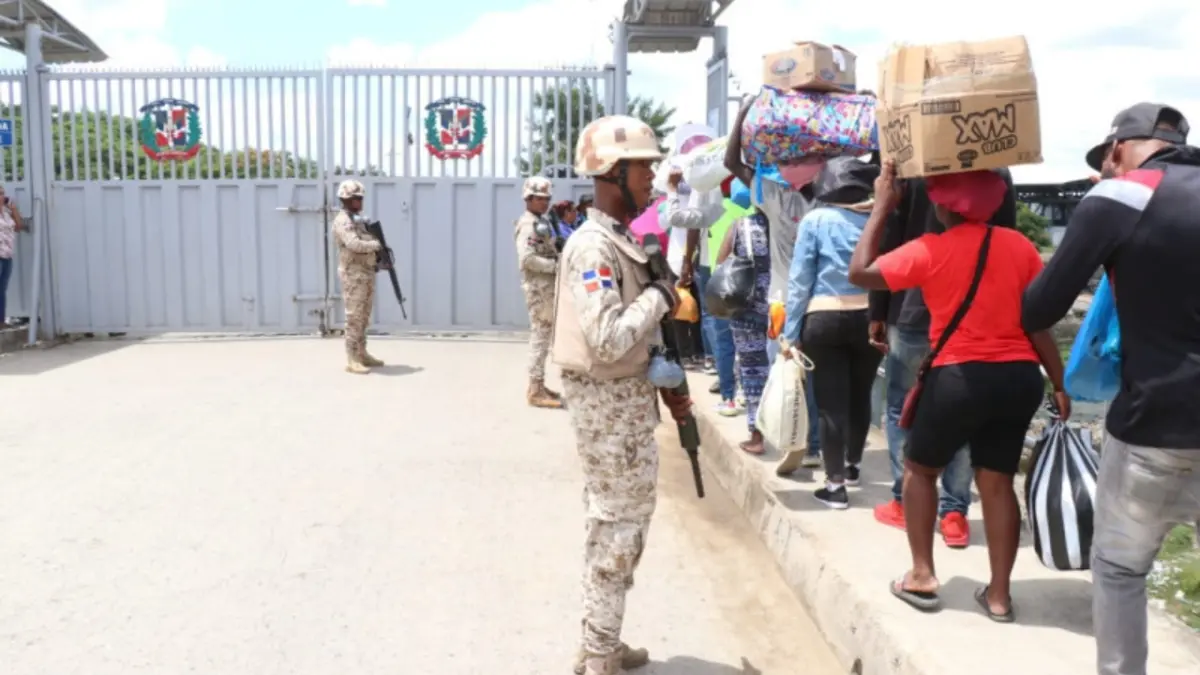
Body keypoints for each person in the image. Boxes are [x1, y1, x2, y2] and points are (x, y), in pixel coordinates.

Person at [1020, 103, 1200, 675]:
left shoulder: (1120, 195)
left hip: (1153, 423)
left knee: (1121, 567)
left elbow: (1038, 309)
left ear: (1118, 148)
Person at [849, 161, 1068, 622]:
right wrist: (1060, 382)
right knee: (998, 482)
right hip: (1020, 378)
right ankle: (1000, 596)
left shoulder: (930, 249)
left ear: (942, 206)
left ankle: (922, 574)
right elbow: (1037, 323)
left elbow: (860, 272)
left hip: (959, 378)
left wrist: (883, 206)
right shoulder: (1020, 246)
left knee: (919, 469)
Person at [552, 114, 692, 675]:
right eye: (643, 168)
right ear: (613, 171)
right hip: (609, 413)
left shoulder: (619, 238)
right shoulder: (593, 248)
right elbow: (608, 339)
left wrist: (668, 384)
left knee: (614, 525)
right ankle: (600, 654)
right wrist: (661, 296)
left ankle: (599, 641)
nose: (651, 178)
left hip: (625, 405)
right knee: (619, 531)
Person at [867, 167, 1018, 547]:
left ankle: (904, 502)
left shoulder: (912, 166)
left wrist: (877, 312)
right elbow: (1007, 236)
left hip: (911, 306)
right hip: (975, 315)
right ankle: (954, 513)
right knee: (966, 413)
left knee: (901, 407)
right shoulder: (997, 165)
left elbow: (888, 240)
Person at [782, 157, 884, 509]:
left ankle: (835, 485)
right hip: (870, 317)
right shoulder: (878, 220)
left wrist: (790, 332)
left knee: (830, 404)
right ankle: (853, 466)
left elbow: (800, 280)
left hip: (823, 318)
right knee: (861, 396)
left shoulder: (816, 220)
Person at [726, 99, 823, 466]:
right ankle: (812, 445)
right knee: (814, 373)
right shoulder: (827, 200)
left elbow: (732, 163)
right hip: (821, 301)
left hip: (781, 302)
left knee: (784, 371)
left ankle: (791, 439)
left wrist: (742, 114)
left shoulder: (773, 196)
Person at [716, 207, 772, 455]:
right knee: (792, 373)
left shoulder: (741, 226)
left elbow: (721, 266)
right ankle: (802, 441)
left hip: (747, 309)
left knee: (753, 372)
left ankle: (757, 436)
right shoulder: (791, 223)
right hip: (782, 307)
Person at [514, 176, 565, 409]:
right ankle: (535, 389)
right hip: (539, 289)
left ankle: (538, 385)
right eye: (540, 198)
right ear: (528, 199)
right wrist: (556, 266)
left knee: (543, 336)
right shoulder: (528, 225)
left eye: (547, 199)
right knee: (540, 337)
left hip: (546, 288)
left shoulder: (540, 221)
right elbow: (527, 259)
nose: (545, 202)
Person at [331, 179, 384, 374]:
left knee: (364, 316)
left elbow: (366, 240)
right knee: (354, 317)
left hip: (365, 272)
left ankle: (362, 353)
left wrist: (380, 257)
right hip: (353, 275)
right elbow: (354, 244)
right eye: (356, 198)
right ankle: (352, 358)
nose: (360, 202)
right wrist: (376, 245)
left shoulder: (357, 219)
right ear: (346, 199)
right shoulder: (343, 221)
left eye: (361, 198)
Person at [0, 185, 23, 328]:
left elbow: (18, 226)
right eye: (0, 194)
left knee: (2, 289)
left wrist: (14, 210)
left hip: (7, 255)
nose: (2, 197)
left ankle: (1, 321)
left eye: (3, 193)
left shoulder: (6, 213)